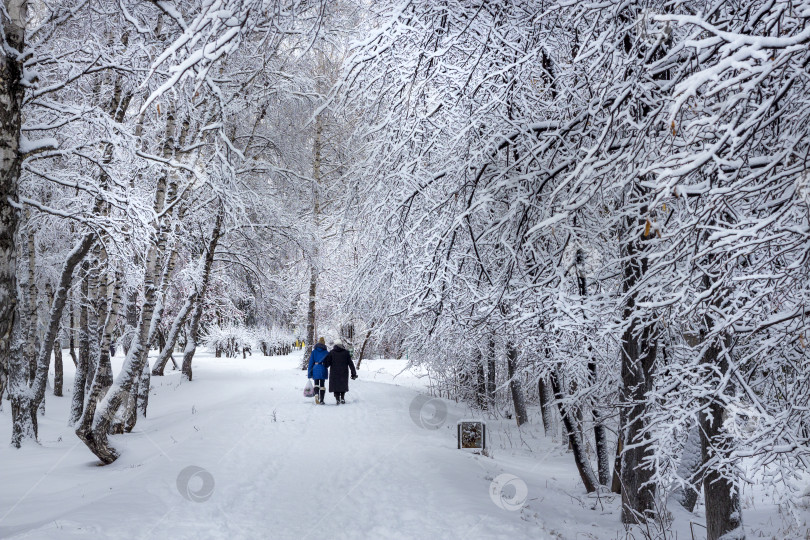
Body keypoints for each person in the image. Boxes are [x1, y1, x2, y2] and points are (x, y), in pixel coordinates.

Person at [324, 338, 357, 405]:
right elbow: (351, 364)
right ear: (341, 345)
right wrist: (353, 373)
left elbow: (327, 364)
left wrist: (324, 363)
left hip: (334, 373)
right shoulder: (346, 353)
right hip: (343, 372)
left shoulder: (331, 353)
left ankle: (337, 399)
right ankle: (342, 398)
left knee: (335, 386)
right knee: (342, 385)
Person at [307, 337, 329, 404]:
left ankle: (316, 395)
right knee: (322, 384)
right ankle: (322, 400)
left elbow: (310, 363)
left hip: (315, 368)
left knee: (316, 384)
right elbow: (328, 362)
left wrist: (309, 373)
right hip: (323, 368)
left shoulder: (314, 352)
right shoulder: (326, 352)